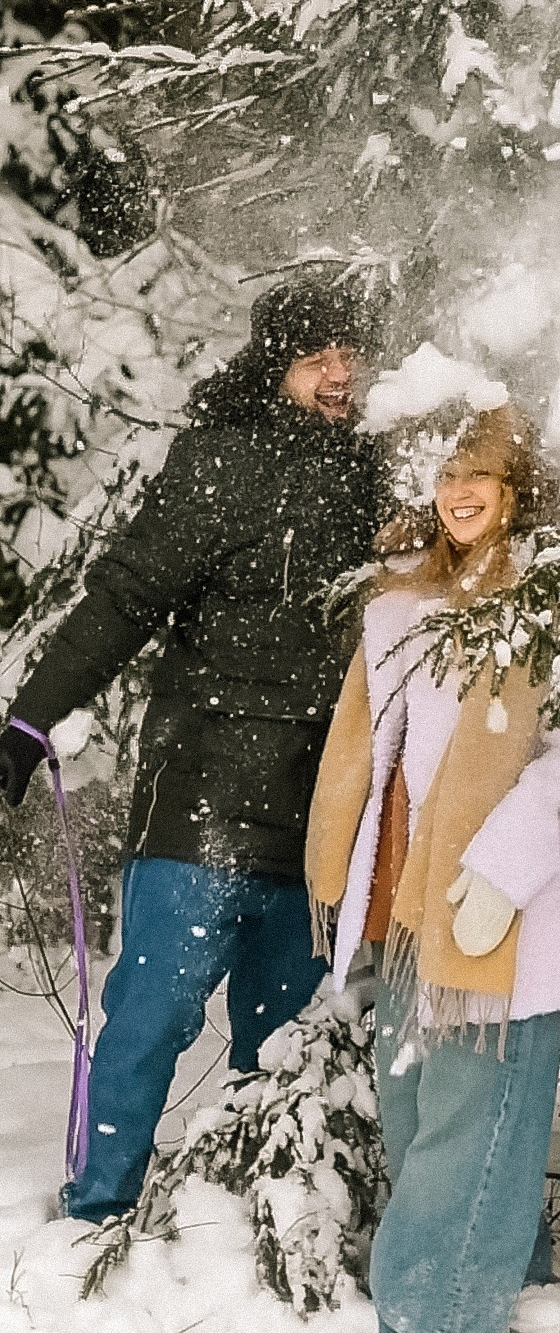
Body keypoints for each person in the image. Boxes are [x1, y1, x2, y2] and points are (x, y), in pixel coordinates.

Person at [0, 271, 387, 1223]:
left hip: (320, 822)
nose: (337, 373)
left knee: (291, 1043)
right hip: (202, 804)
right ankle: (94, 1210)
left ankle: (268, 1228)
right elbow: (122, 601)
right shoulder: (222, 465)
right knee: (152, 1020)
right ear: (278, 368)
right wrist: (27, 721)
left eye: (350, 354)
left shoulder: (388, 474)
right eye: (315, 357)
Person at [305, 403, 560, 1333]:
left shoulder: (559, 596)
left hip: (503, 915)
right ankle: (517, 1296)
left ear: (518, 489)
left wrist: (500, 873)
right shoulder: (408, 600)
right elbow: (383, 757)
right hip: (411, 912)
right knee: (420, 1123)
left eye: (479, 476)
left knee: (465, 1140)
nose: (459, 494)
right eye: (448, 475)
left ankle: (435, 1316)